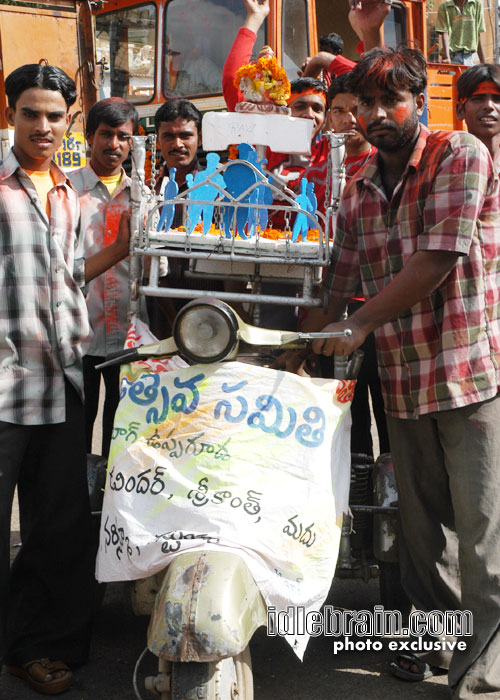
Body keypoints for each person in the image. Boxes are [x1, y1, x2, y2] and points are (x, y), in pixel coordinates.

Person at [277, 46, 500, 698]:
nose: (376, 114)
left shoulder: (461, 155)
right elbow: (338, 281)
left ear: (418, 101)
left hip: (468, 376)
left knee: (483, 534)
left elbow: (436, 260)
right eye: (366, 103)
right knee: (424, 536)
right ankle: (435, 647)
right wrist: (297, 349)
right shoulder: (360, 188)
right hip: (403, 384)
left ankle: (483, 672)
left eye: (389, 100)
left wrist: (359, 323)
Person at [0, 64, 131, 695]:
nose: (43, 126)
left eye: (54, 115)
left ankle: (39, 646)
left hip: (62, 384)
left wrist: (127, 244)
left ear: (68, 120)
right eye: (31, 113)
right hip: (3, 388)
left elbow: (70, 275)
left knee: (59, 528)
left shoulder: (66, 195)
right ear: (11, 115)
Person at [70, 97, 142, 457]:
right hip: (78, 335)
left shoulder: (144, 197)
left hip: (128, 336)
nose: (114, 145)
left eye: (123, 136)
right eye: (106, 134)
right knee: (76, 433)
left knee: (123, 433)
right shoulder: (66, 193)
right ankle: (77, 507)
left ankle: (108, 503)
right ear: (89, 137)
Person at [456, 63, 500, 172]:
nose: (489, 106)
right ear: (460, 110)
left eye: (497, 99)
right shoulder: (449, 165)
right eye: (478, 99)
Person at [436, 0, 486, 65]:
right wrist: (447, 57)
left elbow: (477, 35)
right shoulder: (444, 7)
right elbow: (445, 33)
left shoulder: (476, 5)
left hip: (469, 58)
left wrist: (483, 62)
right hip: (452, 58)